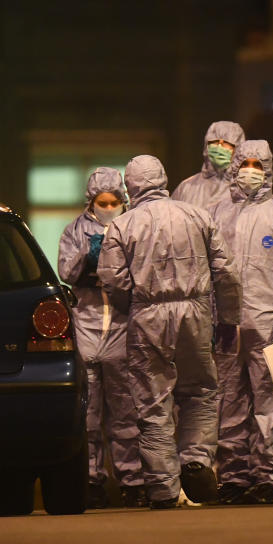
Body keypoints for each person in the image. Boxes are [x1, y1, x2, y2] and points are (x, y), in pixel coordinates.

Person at [97, 155, 242, 509]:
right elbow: (225, 271)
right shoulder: (197, 215)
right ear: (162, 179)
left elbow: (112, 278)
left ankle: (163, 486)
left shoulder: (122, 225)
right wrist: (228, 318)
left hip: (148, 313)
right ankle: (195, 460)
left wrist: (130, 306)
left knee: (152, 399)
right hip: (195, 311)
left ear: (131, 186)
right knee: (201, 391)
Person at [209, 140, 273, 505]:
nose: (250, 169)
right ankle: (235, 477)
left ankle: (271, 478)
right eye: (245, 162)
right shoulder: (216, 213)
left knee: (272, 406)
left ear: (268, 168)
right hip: (226, 328)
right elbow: (208, 274)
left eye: (257, 163)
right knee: (229, 404)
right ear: (235, 166)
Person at [57, 167, 147, 509]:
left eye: (114, 201)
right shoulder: (74, 232)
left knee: (125, 412)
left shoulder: (132, 226)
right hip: (88, 325)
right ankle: (92, 480)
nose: (108, 207)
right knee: (89, 415)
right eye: (102, 201)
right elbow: (67, 273)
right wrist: (88, 257)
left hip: (123, 327)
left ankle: (132, 481)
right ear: (90, 201)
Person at [172, 121, 246, 209]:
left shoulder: (244, 190)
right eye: (215, 143)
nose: (219, 148)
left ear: (237, 149)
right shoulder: (186, 188)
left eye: (226, 144)